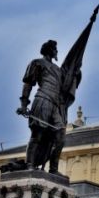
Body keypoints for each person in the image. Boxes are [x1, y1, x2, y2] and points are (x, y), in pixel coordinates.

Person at [17, 40, 75, 174]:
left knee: (60, 135)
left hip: (55, 105)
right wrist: (24, 105)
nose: (57, 52)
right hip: (42, 101)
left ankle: (53, 169)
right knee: (37, 134)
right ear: (50, 50)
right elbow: (28, 84)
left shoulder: (57, 70)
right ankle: (30, 164)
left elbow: (64, 87)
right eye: (55, 49)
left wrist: (76, 72)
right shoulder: (37, 63)